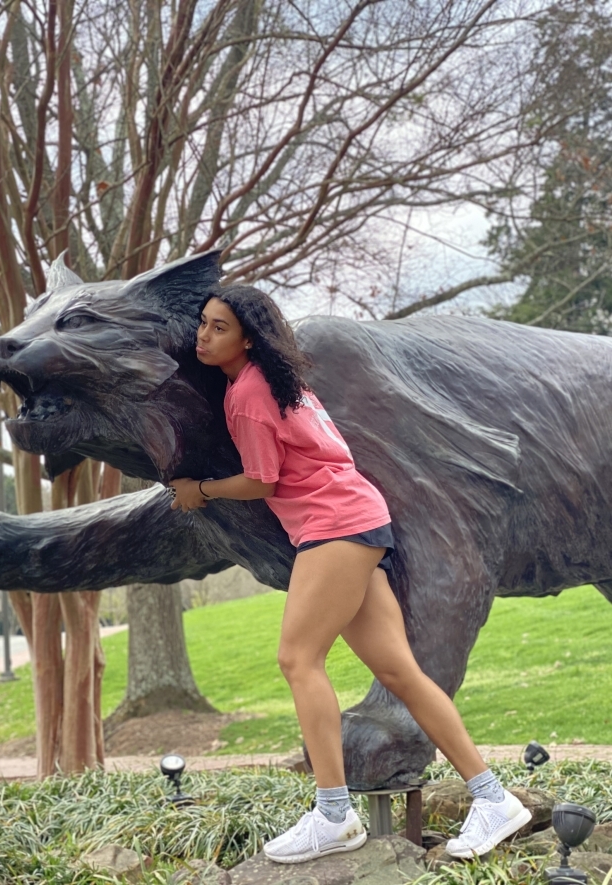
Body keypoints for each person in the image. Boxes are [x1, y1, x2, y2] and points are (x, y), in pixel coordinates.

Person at [168, 285, 531, 864]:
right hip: (360, 520)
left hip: (335, 528)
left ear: (248, 338)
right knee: (399, 671)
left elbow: (261, 480)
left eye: (217, 328)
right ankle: (494, 799)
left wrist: (201, 491)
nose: (203, 336)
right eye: (203, 324)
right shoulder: (279, 382)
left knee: (298, 659)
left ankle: (334, 815)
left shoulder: (249, 394)